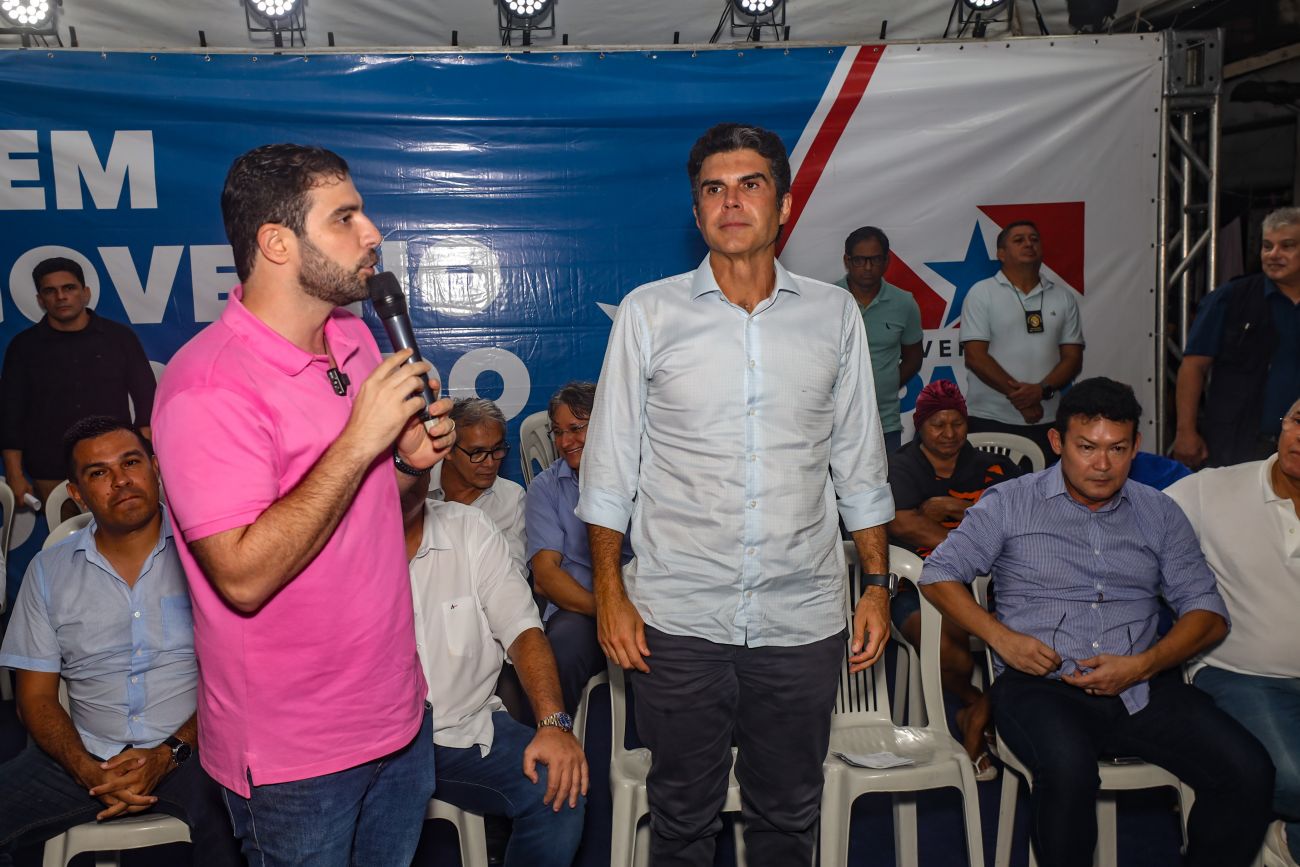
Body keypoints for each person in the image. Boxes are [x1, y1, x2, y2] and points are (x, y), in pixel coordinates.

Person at [577, 122, 895, 867]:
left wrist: (877, 586)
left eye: (750, 185)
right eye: (713, 190)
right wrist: (610, 593)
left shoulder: (833, 315)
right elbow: (610, 466)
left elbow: (859, 463)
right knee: (682, 817)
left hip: (801, 614)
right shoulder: (649, 313)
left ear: (783, 205)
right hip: (678, 615)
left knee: (788, 816)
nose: (730, 202)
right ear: (696, 213)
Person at [150, 143, 454, 866]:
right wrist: (358, 441)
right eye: (344, 217)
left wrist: (406, 463)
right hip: (297, 756)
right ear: (277, 243)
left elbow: (374, 515)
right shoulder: (207, 386)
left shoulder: (353, 337)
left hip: (397, 716)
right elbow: (243, 576)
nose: (371, 232)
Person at [917, 376, 1273, 867]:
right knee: (1068, 772)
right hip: (1041, 685)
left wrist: (1144, 665)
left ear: (1136, 446)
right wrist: (1002, 638)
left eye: (1117, 448)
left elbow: (1208, 615)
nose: (1102, 464)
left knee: (1249, 772)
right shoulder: (1010, 503)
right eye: (1087, 447)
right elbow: (938, 575)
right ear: (1057, 441)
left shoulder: (1159, 512)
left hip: (1142, 685)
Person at [0, 416, 242, 866]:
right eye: (99, 472)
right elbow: (34, 698)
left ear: (155, 468)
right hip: (83, 756)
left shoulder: (209, 554)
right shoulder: (48, 571)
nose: (121, 480)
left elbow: (237, 681)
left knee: (242, 822)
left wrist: (169, 753)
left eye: (130, 462)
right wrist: (84, 767)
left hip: (193, 752)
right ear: (77, 494)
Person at [402, 474, 587, 867]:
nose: (402, 482)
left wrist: (553, 723)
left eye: (411, 469)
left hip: (465, 728)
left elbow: (523, 629)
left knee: (558, 784)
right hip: (377, 747)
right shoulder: (338, 545)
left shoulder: (469, 529)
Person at [1167, 394, 1300, 863]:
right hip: (1240, 673)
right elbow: (1127, 524)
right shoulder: (1211, 491)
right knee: (1292, 780)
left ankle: (1289, 843)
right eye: (1298, 420)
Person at [886, 379, 1019, 778]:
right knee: (950, 651)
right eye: (937, 424)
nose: (948, 433)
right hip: (917, 588)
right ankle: (976, 703)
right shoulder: (901, 467)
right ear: (920, 426)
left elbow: (1019, 520)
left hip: (998, 587)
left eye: (957, 423)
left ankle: (982, 714)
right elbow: (901, 523)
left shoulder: (996, 467)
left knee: (1042, 635)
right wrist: (978, 537)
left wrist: (958, 509)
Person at [1, 257, 157, 516]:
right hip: (51, 469)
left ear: (86, 293)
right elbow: (11, 414)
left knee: (125, 532)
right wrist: (14, 473)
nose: (61, 296)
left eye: (69, 288)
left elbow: (147, 402)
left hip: (115, 463)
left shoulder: (120, 338)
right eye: (50, 291)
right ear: (40, 300)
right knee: (66, 537)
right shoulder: (23, 347)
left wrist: (149, 460)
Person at [526, 382, 633, 714]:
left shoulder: (642, 476)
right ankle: (555, 735)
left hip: (648, 604)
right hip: (581, 608)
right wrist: (608, 612)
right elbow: (545, 577)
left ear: (604, 424)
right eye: (558, 432)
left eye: (576, 429)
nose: (564, 442)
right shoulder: (546, 488)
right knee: (562, 650)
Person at [1174, 207, 1300, 468]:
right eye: (1267, 246)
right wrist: (1185, 432)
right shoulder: (1230, 297)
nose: (1273, 254)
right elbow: (1193, 366)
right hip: (1240, 443)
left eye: (1287, 246)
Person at [961, 220, 1085, 460]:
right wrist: (1023, 400)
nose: (1028, 244)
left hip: (1048, 419)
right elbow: (975, 356)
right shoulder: (982, 293)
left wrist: (1041, 391)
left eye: (1034, 239)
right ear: (1001, 254)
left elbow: (1073, 358)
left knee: (1048, 484)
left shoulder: (1063, 297)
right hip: (990, 418)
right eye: (1018, 240)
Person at [835, 226, 923, 453]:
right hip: (834, 423)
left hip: (884, 422)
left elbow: (914, 358)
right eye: (859, 260)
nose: (867, 267)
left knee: (887, 477)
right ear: (847, 261)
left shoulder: (904, 303)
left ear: (886, 261)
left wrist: (886, 383)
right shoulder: (828, 300)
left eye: (874, 260)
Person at [427, 397, 526, 571]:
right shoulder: (415, 490)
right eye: (477, 452)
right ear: (447, 449)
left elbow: (511, 573)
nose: (490, 463)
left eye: (497, 449)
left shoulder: (511, 500)